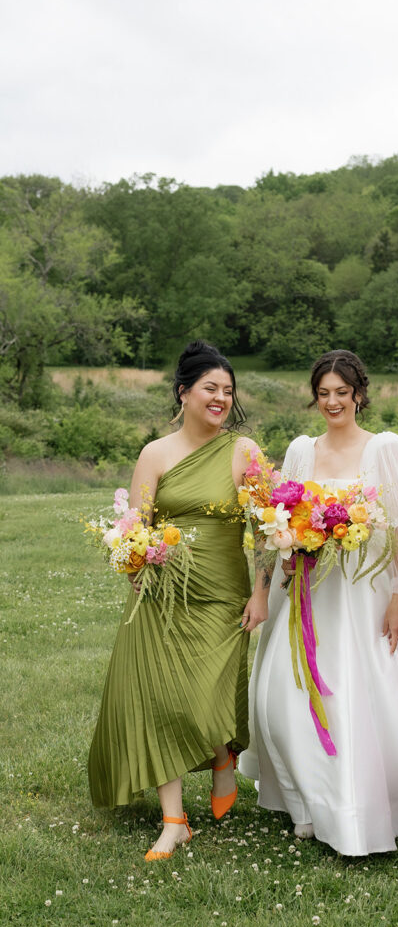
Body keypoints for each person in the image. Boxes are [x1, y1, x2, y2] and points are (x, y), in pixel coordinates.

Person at [239, 350, 398, 855]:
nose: (332, 402)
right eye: (324, 393)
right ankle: (307, 799)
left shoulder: (383, 449)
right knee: (280, 695)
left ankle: (371, 800)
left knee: (354, 691)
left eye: (342, 393)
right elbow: (275, 523)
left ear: (359, 395)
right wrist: (267, 581)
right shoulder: (302, 450)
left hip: (359, 594)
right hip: (303, 590)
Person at [88, 341, 271, 861]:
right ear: (184, 392)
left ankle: (221, 757)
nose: (220, 399)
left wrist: (260, 593)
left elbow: (266, 531)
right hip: (162, 594)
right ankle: (174, 821)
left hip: (221, 593)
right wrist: (133, 567)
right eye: (210, 389)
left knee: (201, 696)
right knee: (160, 698)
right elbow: (134, 528)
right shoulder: (156, 453)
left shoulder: (244, 452)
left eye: (228, 391)